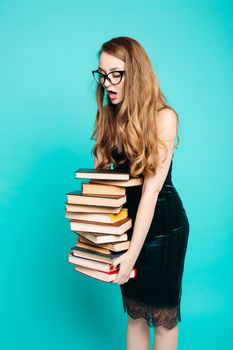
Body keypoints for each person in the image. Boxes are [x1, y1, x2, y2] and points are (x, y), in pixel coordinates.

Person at [91, 36, 190, 350]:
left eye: (116, 74)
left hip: (165, 230)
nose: (107, 82)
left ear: (136, 73)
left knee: (162, 318)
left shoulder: (164, 118)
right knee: (134, 314)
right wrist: (103, 237)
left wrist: (132, 253)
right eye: (102, 74)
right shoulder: (110, 117)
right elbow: (103, 187)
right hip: (127, 227)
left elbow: (150, 193)